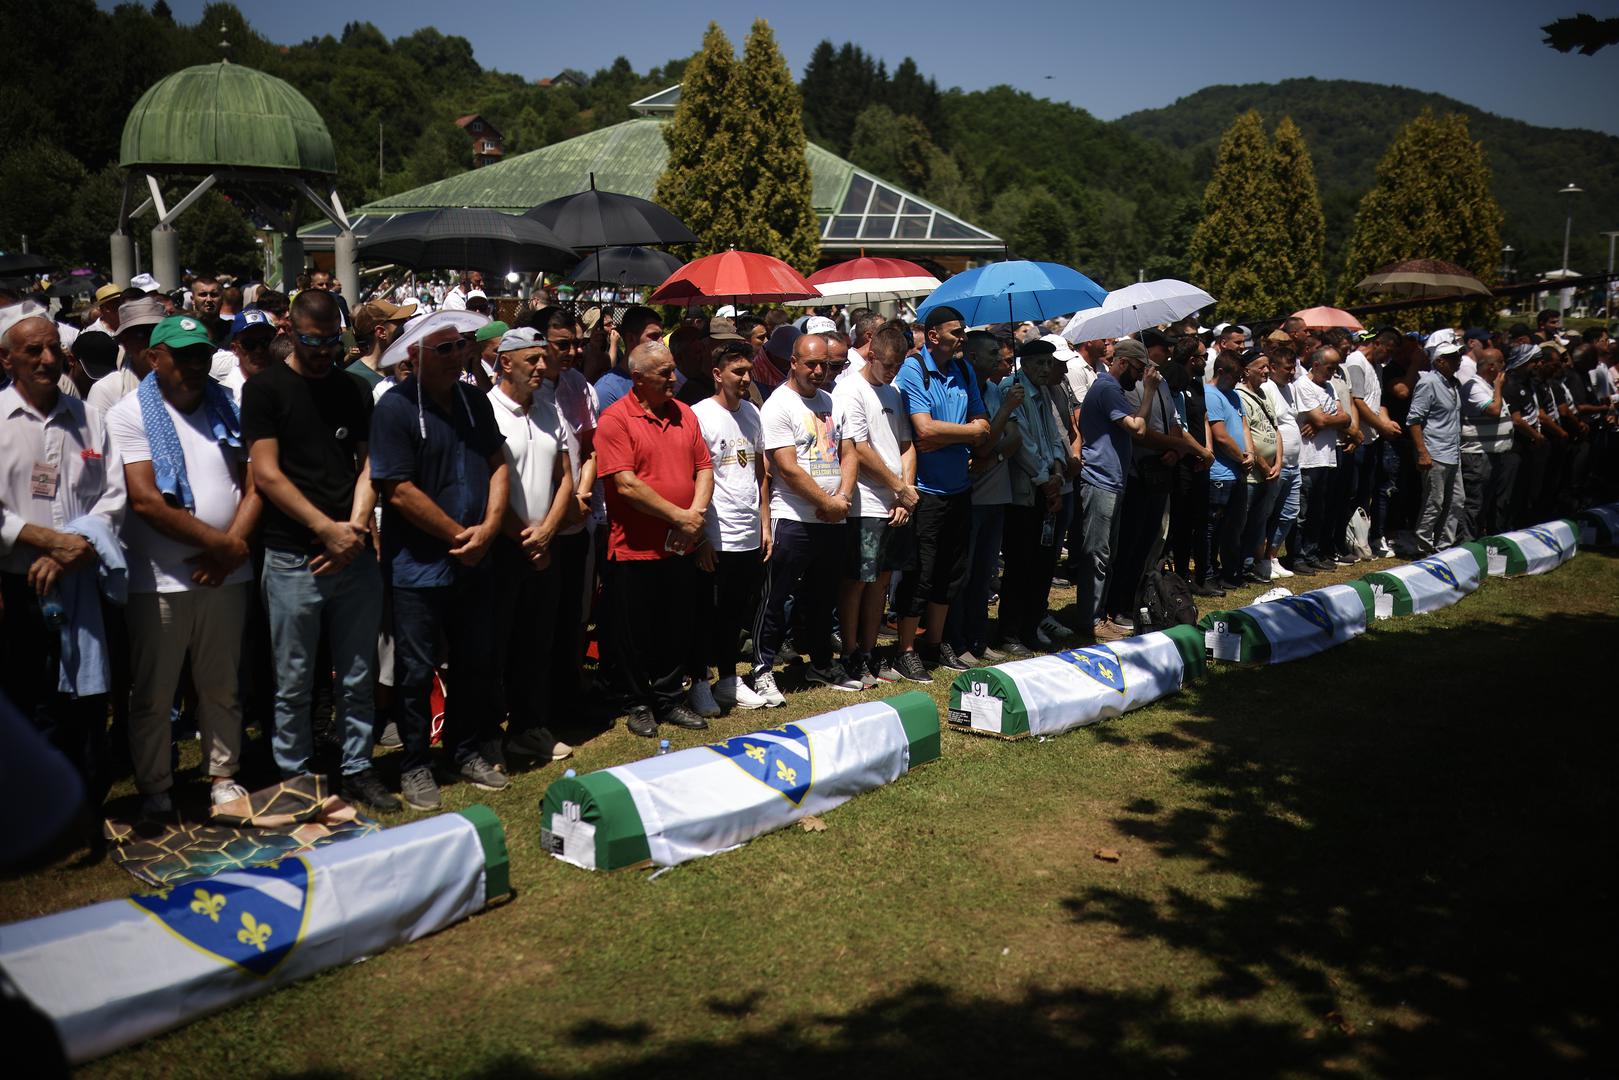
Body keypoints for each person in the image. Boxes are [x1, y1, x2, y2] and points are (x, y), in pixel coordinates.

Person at [240, 289, 396, 811]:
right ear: (290, 330)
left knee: (356, 673)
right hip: (291, 556)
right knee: (293, 679)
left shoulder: (354, 389)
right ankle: (296, 778)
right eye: (312, 340)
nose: (324, 350)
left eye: (333, 340)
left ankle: (357, 767)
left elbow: (370, 464)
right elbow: (266, 474)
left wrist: (352, 527)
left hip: (352, 552)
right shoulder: (264, 390)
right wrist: (323, 529)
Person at [106, 315, 260, 817]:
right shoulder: (129, 414)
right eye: (183, 356)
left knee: (222, 683)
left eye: (201, 355)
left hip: (227, 573)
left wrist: (229, 549)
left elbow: (254, 485)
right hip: (159, 580)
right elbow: (147, 501)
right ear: (155, 358)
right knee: (154, 690)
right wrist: (224, 545)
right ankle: (155, 786)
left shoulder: (227, 407)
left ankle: (222, 775)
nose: (196, 365)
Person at [370, 311, 512, 805]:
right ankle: (414, 763)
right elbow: (399, 490)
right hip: (418, 566)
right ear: (415, 356)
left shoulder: (475, 401)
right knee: (414, 669)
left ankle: (464, 748)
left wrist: (491, 527)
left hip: (475, 560)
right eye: (445, 349)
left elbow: (498, 465)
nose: (458, 356)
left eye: (461, 347)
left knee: (476, 661)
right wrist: (460, 535)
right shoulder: (394, 408)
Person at [0, 305, 127, 814]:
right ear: (7, 360)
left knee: (91, 702)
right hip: (19, 587)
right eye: (34, 350)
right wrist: (42, 540)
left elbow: (114, 498)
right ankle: (38, 809)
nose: (48, 358)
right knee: (31, 700)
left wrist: (73, 550)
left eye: (54, 347)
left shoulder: (90, 420)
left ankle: (88, 805)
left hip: (85, 582)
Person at [595, 341, 714, 735]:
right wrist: (681, 516)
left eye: (673, 369)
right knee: (634, 634)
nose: (673, 378)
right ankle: (638, 702)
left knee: (675, 625)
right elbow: (626, 485)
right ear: (638, 378)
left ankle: (667, 697)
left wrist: (694, 516)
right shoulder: (616, 419)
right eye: (664, 372)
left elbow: (704, 467)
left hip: (680, 545)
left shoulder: (684, 415)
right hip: (634, 549)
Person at [752, 332, 862, 699]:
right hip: (793, 517)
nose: (819, 371)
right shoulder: (779, 406)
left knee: (821, 596)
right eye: (811, 364)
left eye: (825, 365)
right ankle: (762, 667)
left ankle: (819, 661)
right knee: (775, 596)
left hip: (833, 518)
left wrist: (842, 496)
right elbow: (786, 467)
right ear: (793, 363)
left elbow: (849, 453)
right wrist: (827, 502)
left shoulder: (832, 402)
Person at [484, 327, 575, 768]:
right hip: (504, 547)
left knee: (537, 644)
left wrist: (548, 532)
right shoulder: (487, 410)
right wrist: (526, 536)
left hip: (544, 545)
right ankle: (487, 735)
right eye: (532, 360)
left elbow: (566, 479)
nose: (543, 367)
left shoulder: (549, 409)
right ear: (506, 363)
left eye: (544, 359)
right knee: (494, 645)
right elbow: (488, 488)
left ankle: (529, 728)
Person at [890, 305, 989, 679]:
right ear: (933, 335)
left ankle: (935, 641)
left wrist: (948, 433)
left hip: (959, 488)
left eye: (962, 331)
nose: (962, 337)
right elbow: (923, 431)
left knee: (952, 570)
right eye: (955, 332)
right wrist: (962, 432)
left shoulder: (964, 370)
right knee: (921, 572)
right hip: (927, 492)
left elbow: (982, 425)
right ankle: (905, 649)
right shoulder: (914, 370)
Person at [834, 324, 918, 686]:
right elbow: (858, 448)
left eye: (898, 366)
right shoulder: (850, 390)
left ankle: (870, 651)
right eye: (888, 365)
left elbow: (906, 445)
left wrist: (906, 492)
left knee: (882, 581)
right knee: (858, 580)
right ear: (871, 355)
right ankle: (850, 651)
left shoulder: (894, 392)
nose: (893, 372)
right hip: (865, 503)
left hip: (895, 502)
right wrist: (898, 486)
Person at [691, 341, 771, 711]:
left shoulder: (753, 414)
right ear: (717, 374)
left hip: (748, 531)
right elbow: (693, 479)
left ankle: (727, 679)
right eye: (738, 371)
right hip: (715, 533)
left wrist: (765, 523)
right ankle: (698, 682)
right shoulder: (699, 416)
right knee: (706, 612)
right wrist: (700, 538)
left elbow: (760, 473)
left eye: (749, 370)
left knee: (735, 612)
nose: (745, 378)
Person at [1075, 338, 1157, 640]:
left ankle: (1097, 615)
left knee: (1106, 555)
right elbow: (1138, 428)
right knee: (1096, 555)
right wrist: (1148, 392)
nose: (1138, 377)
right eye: (1137, 369)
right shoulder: (1108, 389)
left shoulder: (1113, 389)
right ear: (1122, 362)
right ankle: (1089, 620)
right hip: (1100, 481)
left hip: (1112, 482)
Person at [949, 328, 1022, 665]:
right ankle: (958, 641)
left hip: (997, 492)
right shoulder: (965, 393)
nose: (999, 358)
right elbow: (982, 441)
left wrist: (994, 456)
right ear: (974, 357)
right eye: (993, 353)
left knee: (985, 574)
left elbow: (1012, 440)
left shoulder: (996, 390)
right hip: (971, 497)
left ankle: (979, 639)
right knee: (964, 576)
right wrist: (1004, 413)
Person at [1343, 329, 1403, 558]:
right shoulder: (1356, 362)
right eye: (1387, 350)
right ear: (1377, 343)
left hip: (1373, 439)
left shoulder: (1376, 366)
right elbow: (1357, 402)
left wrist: (1386, 422)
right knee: (1353, 491)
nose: (1388, 356)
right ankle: (1349, 540)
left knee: (1366, 491)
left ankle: (1362, 538)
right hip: (1360, 439)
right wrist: (1381, 426)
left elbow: (1377, 402)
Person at [1292, 347, 1352, 571]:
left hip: (1327, 456)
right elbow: (1320, 419)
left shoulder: (1328, 387)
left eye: (1336, 368)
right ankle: (1297, 556)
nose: (1333, 372)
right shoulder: (1303, 385)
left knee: (1319, 509)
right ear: (1316, 365)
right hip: (1308, 458)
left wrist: (1326, 421)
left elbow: (1344, 417)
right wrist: (1325, 421)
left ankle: (1312, 552)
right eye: (1329, 368)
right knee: (1303, 511)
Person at [1202, 350, 1253, 590]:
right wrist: (1243, 458)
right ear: (1220, 372)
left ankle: (1231, 572)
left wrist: (1250, 454)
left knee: (1235, 527)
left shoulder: (1234, 395)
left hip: (1237, 471)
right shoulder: (1210, 395)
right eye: (1234, 377)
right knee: (1213, 528)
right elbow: (1220, 436)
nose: (1237, 382)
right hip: (1220, 474)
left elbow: (1244, 426)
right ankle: (1209, 573)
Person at [1234, 349, 1282, 581]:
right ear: (1246, 370)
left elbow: (1275, 428)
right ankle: (1238, 567)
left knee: (1258, 523)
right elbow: (1246, 435)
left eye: (1267, 366)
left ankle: (1249, 565)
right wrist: (1263, 464)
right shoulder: (1240, 395)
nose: (1266, 371)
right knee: (1243, 522)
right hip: (1253, 474)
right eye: (1261, 367)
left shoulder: (1265, 394)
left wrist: (1278, 462)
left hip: (1270, 473)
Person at [1458, 347, 1511, 539]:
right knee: (1475, 503)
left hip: (1492, 453)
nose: (1504, 366)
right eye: (1501, 362)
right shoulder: (1474, 386)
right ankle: (1466, 544)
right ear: (1491, 367)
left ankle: (1478, 540)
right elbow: (1493, 411)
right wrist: (1499, 386)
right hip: (1478, 455)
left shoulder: (1486, 386)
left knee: (1486, 503)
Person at [1262, 344, 1303, 577]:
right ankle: (1259, 558)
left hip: (1293, 464)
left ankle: (1272, 555)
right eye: (1287, 368)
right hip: (1276, 464)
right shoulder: (1268, 388)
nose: (1292, 373)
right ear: (1273, 367)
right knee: (1266, 513)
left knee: (1289, 512)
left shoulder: (1289, 388)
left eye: (1294, 368)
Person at [86, 296, 165, 413]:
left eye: (160, 332)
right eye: (143, 334)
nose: (154, 340)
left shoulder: (184, 382)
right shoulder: (106, 390)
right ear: (125, 342)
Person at [595, 306, 662, 412]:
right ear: (631, 338)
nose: (661, 343)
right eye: (653, 336)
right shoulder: (608, 391)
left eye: (661, 335)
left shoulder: (658, 381)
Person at [346, 299, 418, 389]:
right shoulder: (352, 379)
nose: (406, 324)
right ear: (381, 332)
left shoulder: (406, 370)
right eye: (401, 322)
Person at [188, 276, 229, 347]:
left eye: (214, 295)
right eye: (203, 294)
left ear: (222, 299)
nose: (209, 299)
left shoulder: (231, 330)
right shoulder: (184, 330)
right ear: (192, 300)